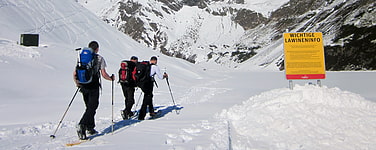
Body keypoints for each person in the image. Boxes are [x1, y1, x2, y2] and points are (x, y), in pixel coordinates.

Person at [73, 41, 114, 140]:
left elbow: (75, 73)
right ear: (97, 49)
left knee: (89, 107)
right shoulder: (99, 58)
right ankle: (82, 125)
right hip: (93, 86)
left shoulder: (82, 58)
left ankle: (90, 127)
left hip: (83, 86)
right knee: (92, 106)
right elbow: (104, 74)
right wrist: (111, 78)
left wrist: (77, 83)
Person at [138, 56, 168, 120]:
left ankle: (151, 111)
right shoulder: (155, 67)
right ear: (155, 61)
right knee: (146, 98)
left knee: (149, 96)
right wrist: (164, 76)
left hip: (142, 83)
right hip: (149, 83)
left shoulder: (145, 65)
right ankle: (141, 116)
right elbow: (160, 77)